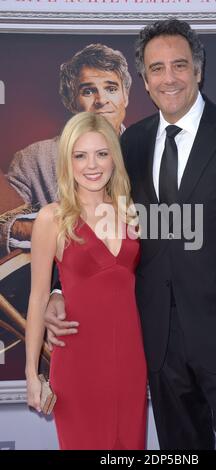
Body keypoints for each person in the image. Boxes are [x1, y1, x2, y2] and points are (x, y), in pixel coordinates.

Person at [45, 19, 216, 450]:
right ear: (144, 80)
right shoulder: (132, 144)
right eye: (156, 69)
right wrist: (56, 289)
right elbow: (88, 219)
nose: (169, 78)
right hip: (158, 349)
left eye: (179, 65)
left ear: (198, 70)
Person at [25, 112, 147, 450]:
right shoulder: (52, 218)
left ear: (114, 158)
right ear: (68, 160)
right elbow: (36, 298)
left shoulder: (132, 212)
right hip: (77, 365)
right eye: (80, 155)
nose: (91, 165)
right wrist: (32, 374)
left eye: (101, 153)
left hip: (130, 361)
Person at [0, 43, 132, 256]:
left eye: (111, 88)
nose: (101, 100)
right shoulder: (34, 159)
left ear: (125, 96)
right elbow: (7, 226)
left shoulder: (150, 151)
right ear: (71, 101)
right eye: (88, 91)